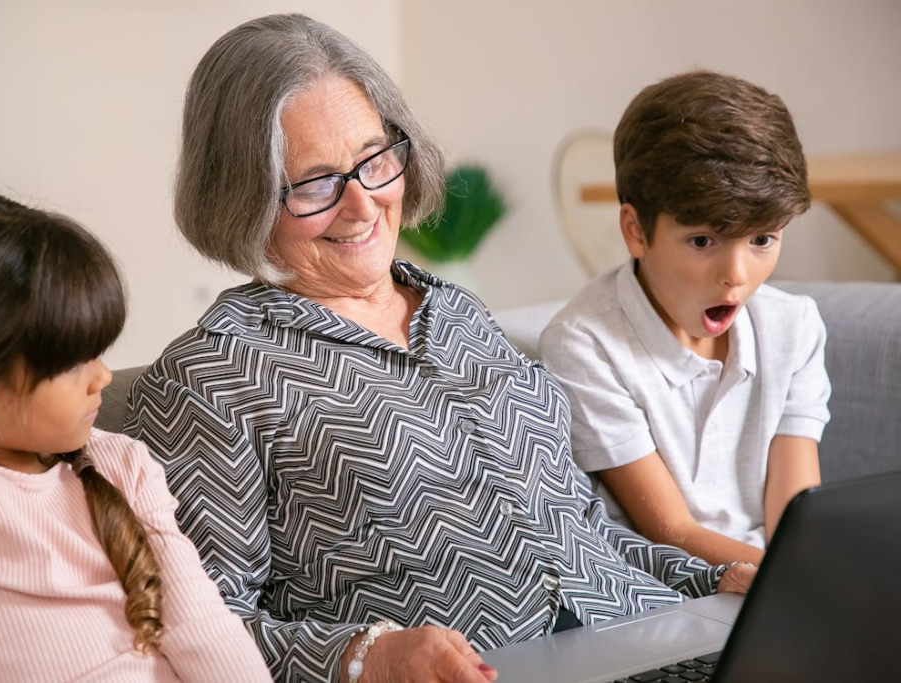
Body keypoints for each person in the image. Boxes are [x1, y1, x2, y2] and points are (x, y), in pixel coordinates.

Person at [124, 15, 756, 683]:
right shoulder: (212, 376)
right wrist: (368, 656)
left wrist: (716, 578)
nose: (363, 205)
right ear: (241, 195)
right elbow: (195, 632)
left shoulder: (458, 313)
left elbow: (577, 533)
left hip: (659, 640)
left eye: (374, 159)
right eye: (315, 183)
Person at [0, 195, 272, 683]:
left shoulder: (123, 462)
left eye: (100, 353)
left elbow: (204, 629)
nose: (102, 378)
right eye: (72, 363)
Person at [540, 71, 831, 568]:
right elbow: (671, 531)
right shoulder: (585, 346)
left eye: (762, 240)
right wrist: (805, 583)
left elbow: (796, 517)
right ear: (635, 231)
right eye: (702, 241)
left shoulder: (794, 327)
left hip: (782, 583)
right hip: (672, 593)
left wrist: (815, 582)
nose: (735, 277)